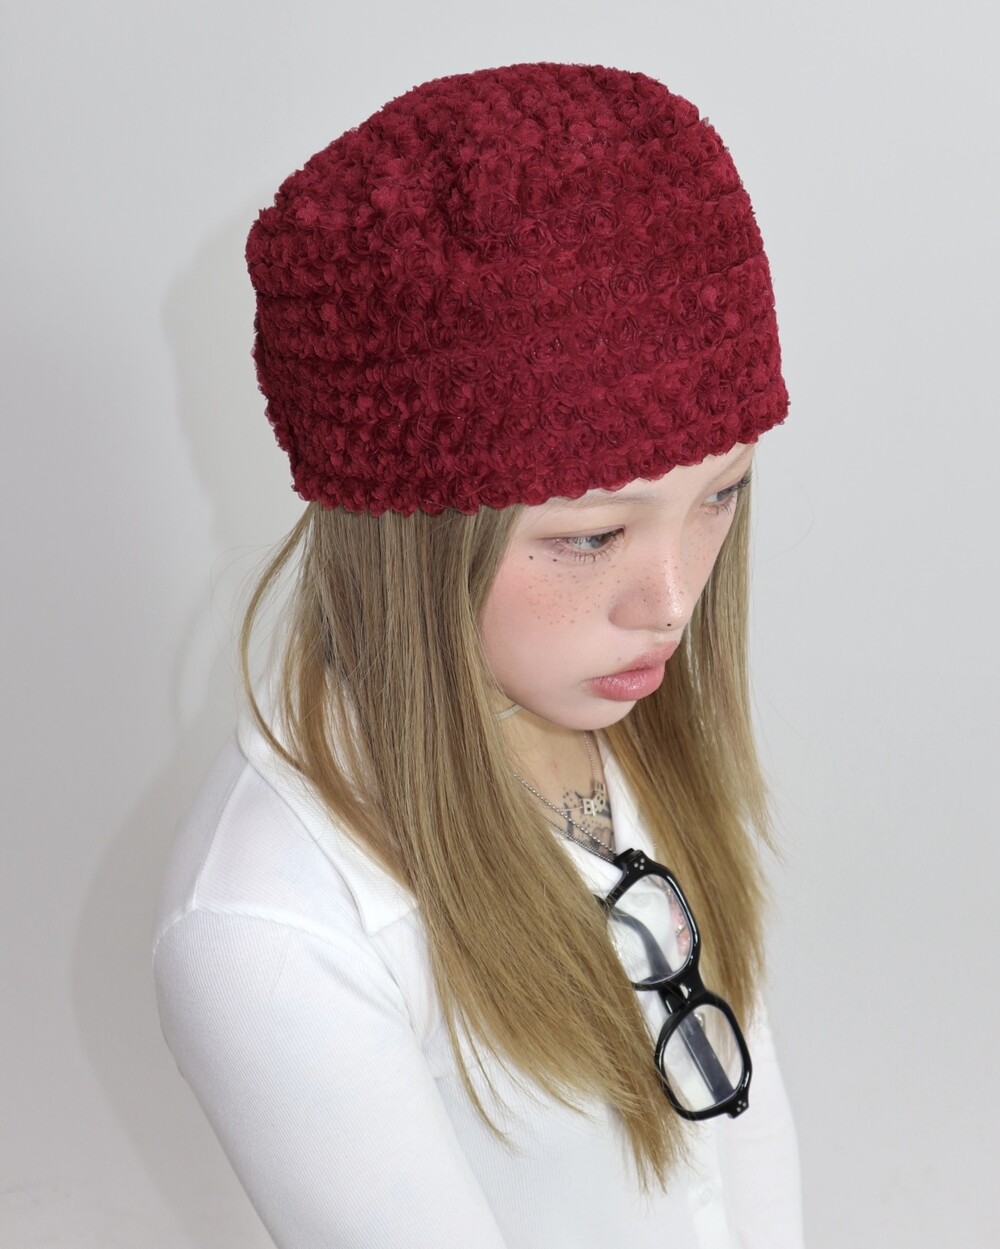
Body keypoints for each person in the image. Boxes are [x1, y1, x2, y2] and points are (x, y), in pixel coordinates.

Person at [153, 62, 804, 1248]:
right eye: (591, 536)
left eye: (722, 495)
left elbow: (739, 1127)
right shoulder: (273, 931)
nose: (670, 604)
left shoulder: (608, 715)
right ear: (411, 532)